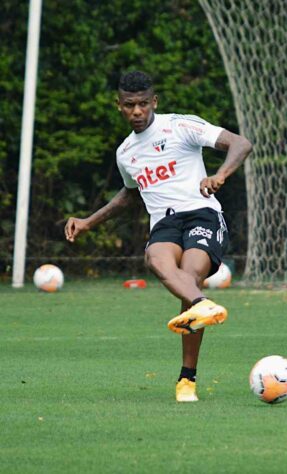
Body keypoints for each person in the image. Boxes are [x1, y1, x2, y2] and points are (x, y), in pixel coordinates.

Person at [64, 71, 252, 402]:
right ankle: (201, 304)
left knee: (191, 274)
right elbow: (129, 194)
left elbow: (241, 143)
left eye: (142, 104)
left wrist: (220, 174)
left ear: (154, 101)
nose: (136, 111)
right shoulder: (126, 153)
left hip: (202, 212)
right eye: (128, 105)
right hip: (164, 223)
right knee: (155, 258)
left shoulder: (180, 126)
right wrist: (90, 221)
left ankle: (187, 379)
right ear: (118, 106)